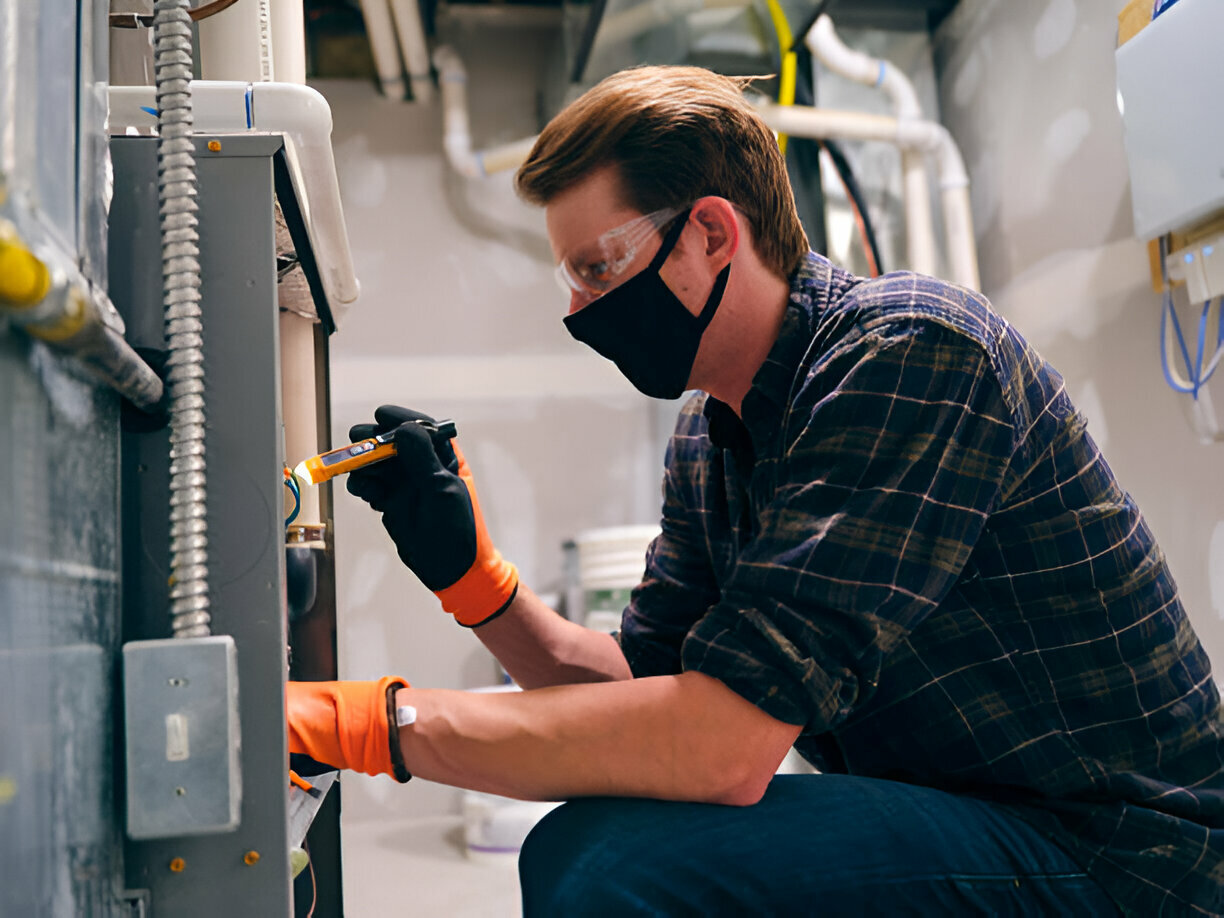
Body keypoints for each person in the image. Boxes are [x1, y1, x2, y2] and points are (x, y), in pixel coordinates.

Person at [286, 66, 1224, 916]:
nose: (576, 311)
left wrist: (365, 725)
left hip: (1126, 858)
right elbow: (647, 697)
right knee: (591, 844)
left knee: (605, 864)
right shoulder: (713, 433)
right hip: (973, 818)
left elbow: (717, 751)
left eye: (597, 269)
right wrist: (475, 582)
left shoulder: (910, 353)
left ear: (709, 233)